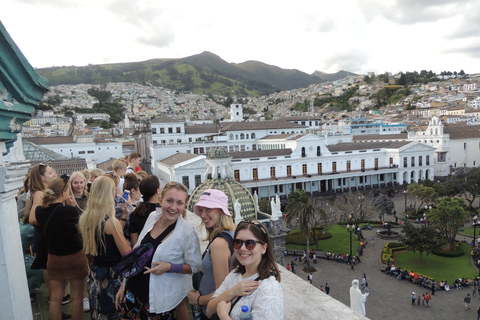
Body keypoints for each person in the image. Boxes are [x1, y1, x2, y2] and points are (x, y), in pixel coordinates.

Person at [116, 182, 202, 319]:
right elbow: (137, 253)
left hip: (158, 300)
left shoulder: (187, 233)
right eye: (169, 201)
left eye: (179, 203)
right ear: (160, 200)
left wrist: (169, 267)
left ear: (185, 205)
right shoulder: (152, 218)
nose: (173, 207)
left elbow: (195, 266)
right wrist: (123, 285)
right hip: (132, 293)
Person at [207, 220, 284, 319]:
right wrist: (233, 292)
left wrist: (223, 315)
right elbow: (209, 310)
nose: (243, 248)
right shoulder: (234, 275)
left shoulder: (269, 289)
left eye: (250, 243)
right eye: (238, 243)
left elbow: (217, 310)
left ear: (264, 248)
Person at [36, 177, 88, 320]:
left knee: (55, 299)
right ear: (64, 192)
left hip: (54, 257)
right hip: (75, 256)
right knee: (77, 298)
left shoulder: (40, 211)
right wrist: (72, 208)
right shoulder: (69, 211)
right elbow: (80, 231)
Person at [79, 176, 131, 319]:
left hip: (95, 273)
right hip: (112, 276)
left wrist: (124, 217)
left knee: (98, 312)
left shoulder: (86, 218)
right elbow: (127, 253)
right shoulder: (111, 221)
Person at [187, 189, 236, 319]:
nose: (203, 215)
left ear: (221, 210)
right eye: (201, 210)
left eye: (208, 209)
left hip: (214, 312)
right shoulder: (233, 231)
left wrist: (198, 300)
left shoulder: (219, 243)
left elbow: (222, 292)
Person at [128, 175, 161, 247]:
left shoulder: (136, 212)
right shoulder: (162, 211)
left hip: (144, 254)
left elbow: (134, 243)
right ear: (157, 191)